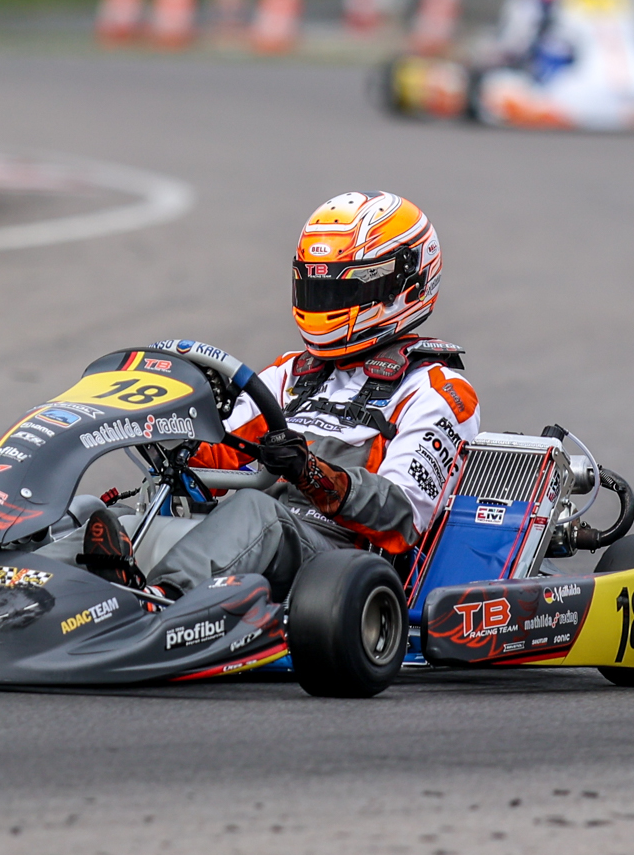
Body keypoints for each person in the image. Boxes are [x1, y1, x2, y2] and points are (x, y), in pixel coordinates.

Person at [77, 191, 481, 604]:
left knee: (257, 511)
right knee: (100, 514)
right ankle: (40, 594)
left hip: (337, 565)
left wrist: (312, 472)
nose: (324, 303)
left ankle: (157, 602)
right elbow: (213, 459)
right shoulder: (290, 373)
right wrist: (170, 421)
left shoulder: (435, 390)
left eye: (339, 290)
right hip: (245, 540)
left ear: (405, 287)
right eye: (316, 287)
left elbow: (401, 517)